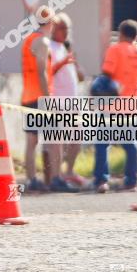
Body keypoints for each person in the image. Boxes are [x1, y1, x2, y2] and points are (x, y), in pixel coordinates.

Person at [20, 6, 74, 192]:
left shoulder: (29, 40)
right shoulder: (43, 42)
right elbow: (41, 71)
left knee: (31, 141)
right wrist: (48, 100)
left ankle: (32, 180)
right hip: (40, 97)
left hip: (28, 96)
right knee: (55, 139)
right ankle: (57, 179)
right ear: (50, 23)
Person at [94, 19, 137, 193]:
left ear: (121, 33)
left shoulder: (115, 50)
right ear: (136, 35)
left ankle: (102, 181)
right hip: (133, 105)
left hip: (111, 106)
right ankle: (131, 182)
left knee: (103, 143)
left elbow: (106, 76)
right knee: (131, 144)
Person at [49, 13, 86, 189]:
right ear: (55, 28)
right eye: (64, 28)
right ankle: (55, 176)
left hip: (73, 103)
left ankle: (69, 171)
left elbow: (80, 78)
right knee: (57, 140)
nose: (66, 32)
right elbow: (47, 73)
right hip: (58, 102)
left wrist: (76, 65)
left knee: (78, 135)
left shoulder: (65, 48)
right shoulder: (49, 47)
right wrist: (63, 63)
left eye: (68, 28)